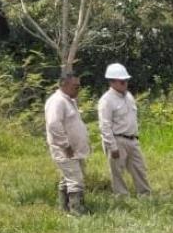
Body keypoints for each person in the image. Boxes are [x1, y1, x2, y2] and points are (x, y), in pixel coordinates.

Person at [97, 63, 151, 197]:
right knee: (117, 172)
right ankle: (122, 197)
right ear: (112, 81)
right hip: (117, 140)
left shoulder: (128, 96)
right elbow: (105, 125)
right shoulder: (106, 100)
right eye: (122, 81)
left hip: (133, 139)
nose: (125, 83)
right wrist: (112, 146)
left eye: (126, 80)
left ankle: (145, 195)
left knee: (140, 169)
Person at [45, 72, 91, 215]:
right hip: (65, 149)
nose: (78, 89)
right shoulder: (57, 101)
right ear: (64, 85)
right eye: (75, 86)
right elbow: (53, 124)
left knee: (69, 178)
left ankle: (63, 208)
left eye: (79, 86)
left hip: (75, 149)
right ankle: (77, 211)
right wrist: (65, 145)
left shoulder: (69, 100)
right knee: (75, 180)